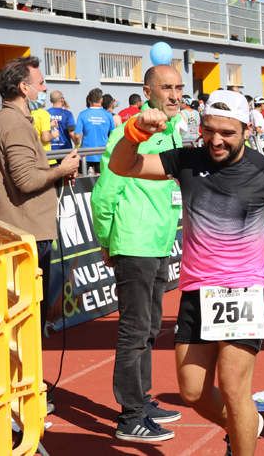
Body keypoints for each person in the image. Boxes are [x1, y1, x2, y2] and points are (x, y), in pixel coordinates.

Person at [107, 89, 264, 456]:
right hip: (198, 289)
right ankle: (245, 425)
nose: (216, 140)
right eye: (210, 130)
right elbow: (123, 166)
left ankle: (241, 438)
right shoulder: (187, 161)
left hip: (245, 290)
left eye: (227, 133)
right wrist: (136, 132)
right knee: (192, 391)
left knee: (233, 386)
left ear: (245, 129)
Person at [92, 65, 185, 443]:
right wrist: (107, 240)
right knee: (134, 332)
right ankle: (129, 416)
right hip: (133, 242)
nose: (176, 94)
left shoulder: (174, 131)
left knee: (149, 329)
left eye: (179, 87)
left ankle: (142, 401)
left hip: (159, 243)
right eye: (167, 88)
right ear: (148, 91)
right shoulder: (127, 133)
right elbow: (104, 194)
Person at [0, 57, 81, 337]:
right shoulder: (14, 124)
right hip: (26, 234)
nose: (44, 87)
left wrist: (58, 174)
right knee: (26, 318)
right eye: (39, 83)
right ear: (24, 88)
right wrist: (60, 169)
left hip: (23, 231)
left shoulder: (12, 120)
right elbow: (25, 181)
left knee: (23, 315)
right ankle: (23, 380)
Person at [76, 88, 116, 173]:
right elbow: (114, 134)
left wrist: (77, 145)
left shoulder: (82, 114)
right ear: (101, 100)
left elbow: (77, 136)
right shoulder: (108, 115)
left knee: (84, 183)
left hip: (86, 155)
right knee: (102, 181)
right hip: (103, 153)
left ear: (89, 99)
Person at [47, 90, 78, 157]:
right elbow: (71, 133)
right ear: (62, 99)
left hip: (50, 151)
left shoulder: (45, 113)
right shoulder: (67, 114)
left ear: (51, 100)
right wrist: (77, 144)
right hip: (65, 150)